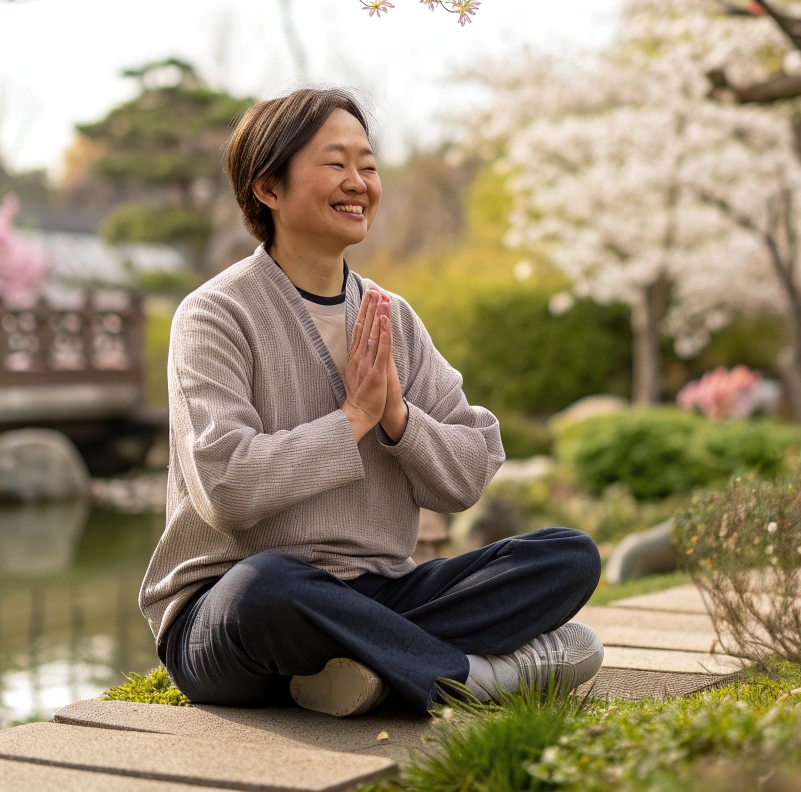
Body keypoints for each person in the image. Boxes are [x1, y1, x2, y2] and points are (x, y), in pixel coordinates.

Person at [139, 85, 604, 717]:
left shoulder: (393, 318)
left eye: (369, 165)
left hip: (381, 594)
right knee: (267, 588)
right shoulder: (215, 315)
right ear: (268, 188)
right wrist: (353, 418)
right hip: (233, 611)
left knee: (567, 556)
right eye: (335, 164)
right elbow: (226, 488)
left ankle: (365, 668)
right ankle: (467, 674)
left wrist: (397, 418)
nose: (358, 181)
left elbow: (471, 469)